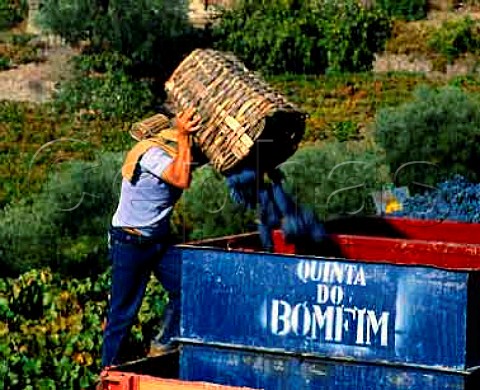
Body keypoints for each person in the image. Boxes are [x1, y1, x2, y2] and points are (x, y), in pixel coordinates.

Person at [101, 108, 202, 369]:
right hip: (130, 242)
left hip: (159, 241)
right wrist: (184, 136)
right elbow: (181, 178)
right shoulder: (151, 154)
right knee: (122, 314)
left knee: (189, 287)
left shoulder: (175, 152)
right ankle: (109, 372)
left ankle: (164, 343)